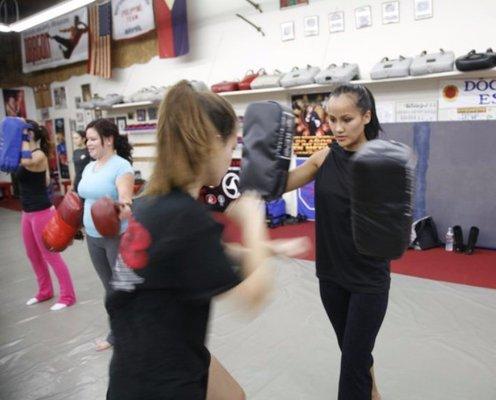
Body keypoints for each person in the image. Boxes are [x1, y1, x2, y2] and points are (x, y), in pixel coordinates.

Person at [106, 81, 308, 399]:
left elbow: (202, 253)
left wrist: (265, 250)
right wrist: (254, 220)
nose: (232, 155)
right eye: (232, 146)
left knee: (233, 396)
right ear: (215, 142)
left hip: (140, 358)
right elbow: (253, 298)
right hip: (162, 382)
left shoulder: (149, 205)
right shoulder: (187, 216)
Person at [285, 84, 388, 400]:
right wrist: (265, 161)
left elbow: (391, 225)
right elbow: (280, 185)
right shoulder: (324, 157)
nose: (338, 128)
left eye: (347, 119)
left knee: (352, 362)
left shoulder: (382, 162)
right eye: (332, 120)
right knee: (354, 352)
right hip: (330, 276)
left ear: (366, 116)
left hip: (367, 280)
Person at [77, 118, 134, 351]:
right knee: (109, 287)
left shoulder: (121, 167)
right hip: (93, 237)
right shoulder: (90, 167)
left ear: (108, 140)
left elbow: (125, 198)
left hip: (115, 237)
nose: (87, 144)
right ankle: (120, 332)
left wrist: (124, 207)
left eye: (92, 139)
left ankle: (122, 335)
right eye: (87, 139)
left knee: (122, 287)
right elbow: (82, 195)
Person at [16, 119, 76, 310]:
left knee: (51, 256)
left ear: (30, 134)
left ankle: (67, 296)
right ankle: (45, 291)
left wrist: (23, 136)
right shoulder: (22, 153)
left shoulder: (39, 154)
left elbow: (26, 162)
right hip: (27, 212)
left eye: (23, 133)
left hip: (41, 211)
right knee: (32, 254)